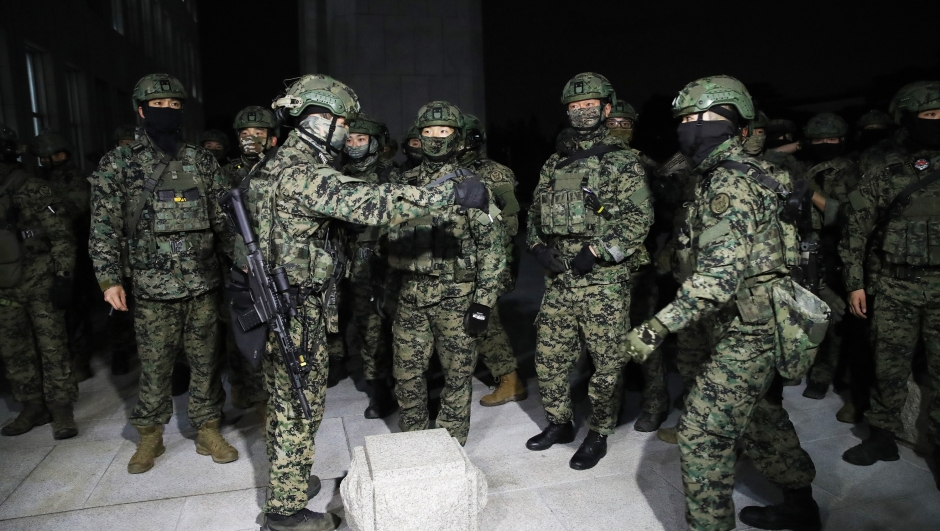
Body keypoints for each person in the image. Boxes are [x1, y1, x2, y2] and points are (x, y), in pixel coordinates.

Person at [243, 75, 490, 530]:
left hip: (280, 300)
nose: (345, 133)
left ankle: (290, 479)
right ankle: (286, 512)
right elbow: (373, 204)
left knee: (282, 397)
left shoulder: (272, 164)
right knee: (299, 402)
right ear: (321, 121)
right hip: (296, 306)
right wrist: (448, 193)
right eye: (342, 123)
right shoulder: (302, 172)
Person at [624, 76, 821, 531]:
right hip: (737, 317)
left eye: (704, 118)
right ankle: (800, 501)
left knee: (701, 434)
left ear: (733, 122)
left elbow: (716, 279)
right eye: (685, 120)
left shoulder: (729, 185)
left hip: (750, 326)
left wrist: (653, 329)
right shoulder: (716, 175)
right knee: (758, 415)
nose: (691, 127)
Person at [89, 73, 238, 474]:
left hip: (202, 282)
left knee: (207, 361)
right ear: (141, 111)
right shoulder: (119, 164)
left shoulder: (201, 161)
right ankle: (150, 435)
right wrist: (109, 279)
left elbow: (224, 222)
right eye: (159, 107)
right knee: (155, 365)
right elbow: (104, 226)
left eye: (174, 107)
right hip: (153, 286)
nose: (167, 113)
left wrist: (243, 266)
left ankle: (207, 428)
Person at [525, 72, 652, 470]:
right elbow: (534, 215)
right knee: (549, 357)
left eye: (590, 104)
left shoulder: (622, 161)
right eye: (575, 106)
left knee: (607, 363)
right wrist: (537, 247)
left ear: (606, 108)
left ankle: (599, 432)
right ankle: (559, 423)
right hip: (560, 279)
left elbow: (639, 218)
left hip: (603, 281)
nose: (582, 111)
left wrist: (597, 251)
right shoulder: (555, 161)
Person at [386, 101, 506, 445]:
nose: (435, 138)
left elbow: (492, 247)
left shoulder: (472, 186)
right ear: (418, 137)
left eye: (444, 131)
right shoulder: (404, 184)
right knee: (407, 377)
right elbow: (389, 240)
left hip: (456, 299)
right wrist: (388, 289)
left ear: (456, 137)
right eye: (428, 132)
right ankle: (413, 443)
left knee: (457, 376)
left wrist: (482, 303)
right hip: (410, 297)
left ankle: (451, 446)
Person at [840, 81, 940, 492]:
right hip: (894, 286)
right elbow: (856, 229)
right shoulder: (884, 168)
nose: (936, 123)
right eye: (929, 116)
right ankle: (882, 437)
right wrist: (855, 282)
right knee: (888, 366)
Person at [0, 123, 78, 440]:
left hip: (39, 278)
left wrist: (63, 276)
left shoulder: (33, 188)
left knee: (52, 346)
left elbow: (61, 235)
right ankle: (32, 406)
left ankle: (60, 409)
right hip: (5, 282)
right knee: (13, 350)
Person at [606, 98, 668, 432]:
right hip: (601, 267)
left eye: (624, 124)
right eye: (612, 123)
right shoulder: (591, 162)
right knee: (605, 340)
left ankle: (655, 402)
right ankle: (609, 407)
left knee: (643, 336)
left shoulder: (646, 166)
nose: (617, 129)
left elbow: (665, 215)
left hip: (638, 265)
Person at [457, 113, 527, 407]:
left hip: (488, 259)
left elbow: (509, 221)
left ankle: (510, 380)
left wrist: (481, 219)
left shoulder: (494, 173)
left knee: (486, 321)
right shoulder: (451, 170)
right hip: (460, 260)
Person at [220, 106, 279, 409]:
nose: (251, 139)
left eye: (259, 133)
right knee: (241, 325)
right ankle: (243, 386)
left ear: (272, 138)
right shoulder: (227, 173)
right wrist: (237, 255)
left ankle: (275, 385)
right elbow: (219, 222)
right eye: (245, 134)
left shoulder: (281, 171)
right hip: (239, 265)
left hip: (274, 259)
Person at [341, 112, 399, 418]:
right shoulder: (339, 176)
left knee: (400, 329)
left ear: (375, 143)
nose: (353, 145)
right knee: (368, 329)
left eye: (361, 139)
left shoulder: (393, 176)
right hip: (357, 267)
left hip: (390, 266)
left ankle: (409, 385)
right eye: (349, 139)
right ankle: (379, 391)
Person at [799, 113, 857, 400]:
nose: (824, 144)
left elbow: (849, 216)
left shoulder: (852, 171)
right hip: (807, 248)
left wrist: (811, 194)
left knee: (837, 316)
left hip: (839, 249)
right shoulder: (803, 169)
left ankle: (828, 376)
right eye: (817, 140)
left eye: (830, 139)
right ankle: (809, 369)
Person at [31, 130, 95, 382]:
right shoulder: (36, 181)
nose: (52, 160)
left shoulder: (75, 178)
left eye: (56, 155)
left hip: (75, 248)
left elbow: (75, 208)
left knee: (76, 304)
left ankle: (81, 358)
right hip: (46, 251)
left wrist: (47, 211)